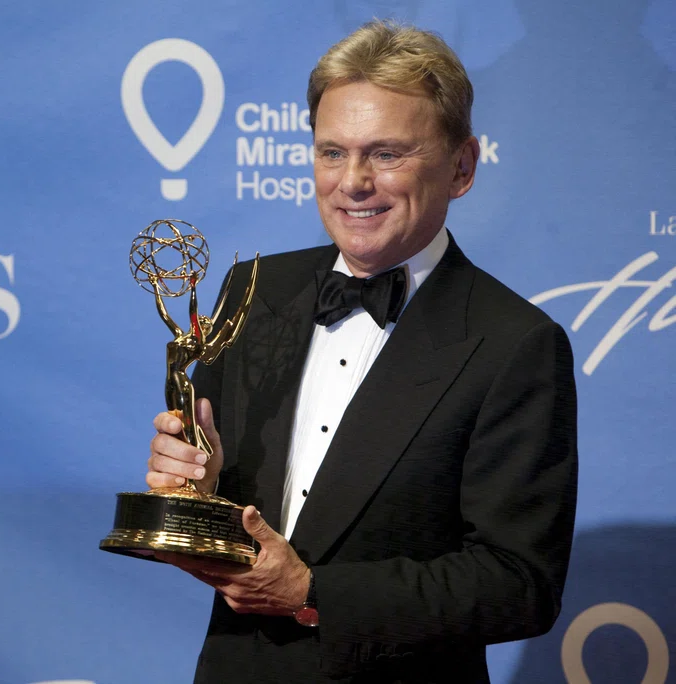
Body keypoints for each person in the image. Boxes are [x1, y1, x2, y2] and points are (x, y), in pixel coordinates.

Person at [146, 20, 578, 684]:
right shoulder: (253, 293)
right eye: (332, 152)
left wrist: (314, 593)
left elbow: (519, 583)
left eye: (387, 153)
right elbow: (238, 528)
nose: (353, 182)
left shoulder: (515, 344)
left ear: (461, 166)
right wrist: (199, 493)